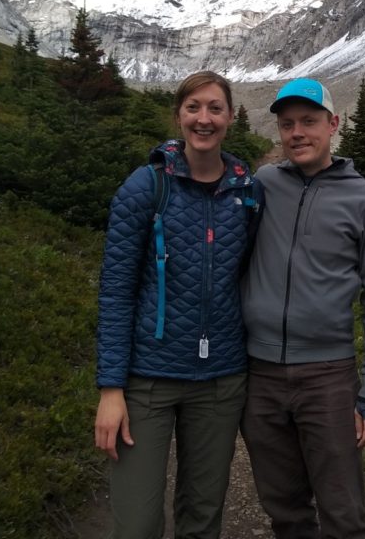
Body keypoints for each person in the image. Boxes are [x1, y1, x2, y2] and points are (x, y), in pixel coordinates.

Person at [94, 70, 261, 539]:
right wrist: (111, 389)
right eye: (194, 108)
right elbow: (115, 291)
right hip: (148, 379)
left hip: (221, 379)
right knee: (138, 523)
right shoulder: (145, 188)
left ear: (230, 117)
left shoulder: (248, 194)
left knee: (203, 517)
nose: (203, 119)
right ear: (178, 116)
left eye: (214, 108)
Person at [241, 77, 365, 539]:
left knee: (343, 509)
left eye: (309, 121)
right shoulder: (265, 184)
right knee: (283, 506)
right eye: (287, 124)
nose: (297, 133)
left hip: (328, 377)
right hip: (260, 373)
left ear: (333, 125)